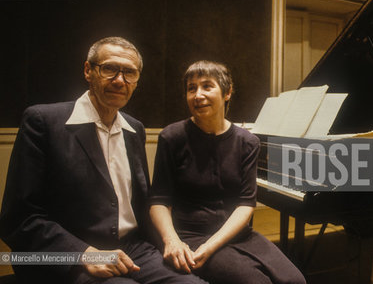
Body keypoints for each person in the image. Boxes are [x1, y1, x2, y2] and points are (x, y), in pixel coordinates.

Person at [0, 37, 205, 284]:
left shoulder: (135, 129)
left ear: (137, 80)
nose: (120, 80)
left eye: (129, 72)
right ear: (88, 70)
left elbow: (143, 204)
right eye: (109, 68)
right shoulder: (42, 121)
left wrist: (171, 240)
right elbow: (20, 218)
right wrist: (83, 254)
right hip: (69, 254)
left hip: (133, 248)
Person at [149, 60, 306, 284]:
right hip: (190, 234)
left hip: (237, 233)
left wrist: (212, 245)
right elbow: (158, 201)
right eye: (191, 88)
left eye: (207, 86)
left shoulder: (247, 142)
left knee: (295, 281)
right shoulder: (171, 137)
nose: (197, 95)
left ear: (227, 93)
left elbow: (245, 204)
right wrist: (171, 240)